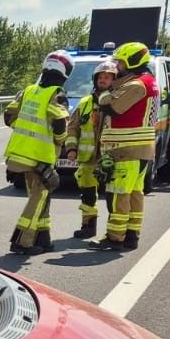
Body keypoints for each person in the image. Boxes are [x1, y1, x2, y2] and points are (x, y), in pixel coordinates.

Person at [2, 50, 72, 254]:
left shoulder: (29, 90)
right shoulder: (56, 94)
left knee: (42, 195)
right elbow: (59, 122)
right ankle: (22, 241)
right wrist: (59, 140)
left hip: (20, 153)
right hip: (41, 156)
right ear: (66, 72)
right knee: (39, 197)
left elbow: (8, 116)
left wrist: (25, 131)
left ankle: (43, 238)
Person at [95, 41, 160, 251]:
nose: (118, 67)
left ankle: (116, 236)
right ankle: (131, 235)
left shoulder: (136, 84)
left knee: (119, 193)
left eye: (121, 63)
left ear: (133, 61)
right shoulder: (147, 81)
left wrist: (104, 95)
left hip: (127, 148)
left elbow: (113, 108)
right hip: (139, 147)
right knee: (134, 193)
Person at [66, 59, 117, 239]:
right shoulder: (85, 102)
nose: (103, 80)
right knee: (87, 194)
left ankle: (114, 231)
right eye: (100, 77)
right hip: (87, 158)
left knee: (114, 195)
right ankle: (88, 226)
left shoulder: (118, 101)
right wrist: (71, 148)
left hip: (111, 156)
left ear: (114, 81)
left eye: (107, 77)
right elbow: (72, 127)